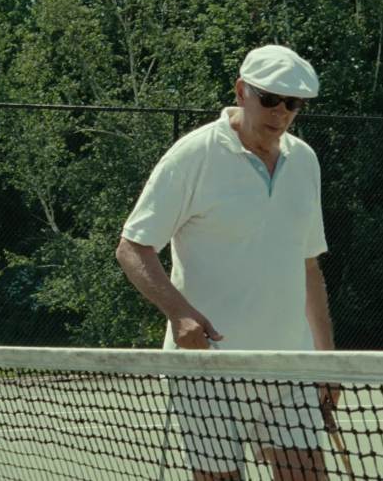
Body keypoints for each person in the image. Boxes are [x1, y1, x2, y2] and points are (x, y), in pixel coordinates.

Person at [116, 45, 338, 480]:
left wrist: (326, 362)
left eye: (292, 103)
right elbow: (133, 247)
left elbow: (308, 266)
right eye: (269, 98)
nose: (281, 112)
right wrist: (180, 314)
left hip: (288, 368)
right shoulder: (193, 154)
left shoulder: (304, 161)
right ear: (241, 91)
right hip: (208, 369)